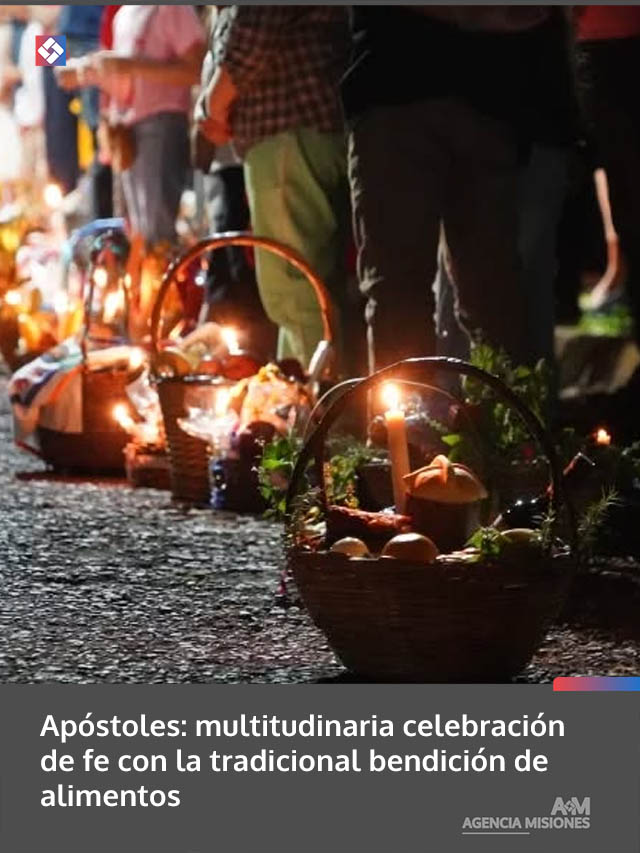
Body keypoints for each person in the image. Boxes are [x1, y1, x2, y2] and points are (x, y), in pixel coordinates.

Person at [342, 6, 579, 371]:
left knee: (412, 287)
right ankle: (487, 417)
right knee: (486, 288)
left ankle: (422, 421)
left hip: (402, 81)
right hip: (481, 86)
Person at [196, 6, 351, 372]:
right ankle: (299, 401)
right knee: (301, 286)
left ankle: (324, 418)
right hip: (294, 130)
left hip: (288, 127)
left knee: (295, 286)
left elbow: (251, 37)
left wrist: (211, 107)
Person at [59, 5, 206, 247]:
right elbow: (106, 62)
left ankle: (164, 282)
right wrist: (83, 72)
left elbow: (195, 68)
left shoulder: (171, 9)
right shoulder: (122, 14)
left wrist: (130, 65)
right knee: (136, 231)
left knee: (158, 233)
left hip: (161, 122)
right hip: (125, 127)